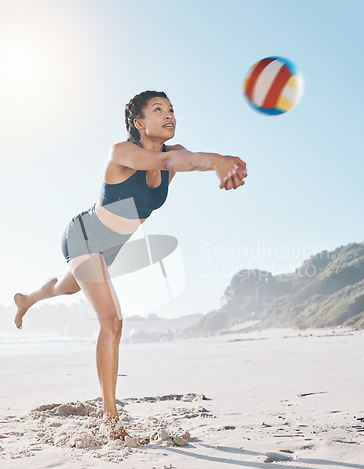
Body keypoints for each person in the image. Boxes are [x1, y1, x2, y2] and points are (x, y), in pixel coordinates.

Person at [13, 90, 247, 441]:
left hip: (111, 248)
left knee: (67, 286)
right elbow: (167, 165)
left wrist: (220, 163)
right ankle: (111, 419)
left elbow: (185, 161)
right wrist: (220, 160)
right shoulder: (121, 153)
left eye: (171, 109)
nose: (169, 115)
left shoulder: (177, 153)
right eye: (158, 110)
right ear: (139, 122)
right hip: (84, 236)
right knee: (113, 321)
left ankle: (27, 299)